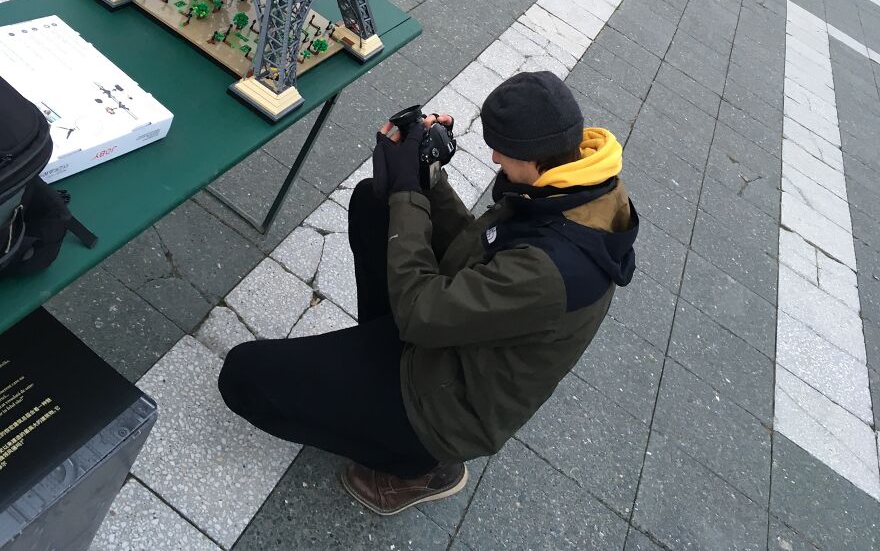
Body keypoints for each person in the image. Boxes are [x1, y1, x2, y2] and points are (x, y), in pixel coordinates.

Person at [219, 71, 638, 516]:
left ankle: (422, 466)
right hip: (451, 345)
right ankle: (370, 368)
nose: (494, 156)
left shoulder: (554, 268)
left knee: (243, 377)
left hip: (442, 408)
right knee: (374, 203)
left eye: (502, 151)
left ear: (534, 158)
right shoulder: (576, 183)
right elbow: (478, 252)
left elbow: (423, 309)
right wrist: (426, 176)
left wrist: (408, 191)